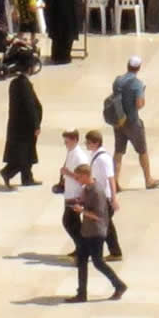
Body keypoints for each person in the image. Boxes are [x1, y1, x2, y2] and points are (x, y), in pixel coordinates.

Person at [65, 164, 127, 303]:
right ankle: (81, 293)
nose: (77, 180)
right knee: (81, 261)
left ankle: (119, 285)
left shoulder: (97, 191)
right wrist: (79, 202)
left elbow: (98, 215)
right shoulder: (87, 188)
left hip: (96, 233)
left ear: (86, 176)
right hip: (87, 231)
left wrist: (81, 210)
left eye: (79, 177)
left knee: (98, 262)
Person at [110, 55, 159, 190]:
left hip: (118, 121)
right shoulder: (137, 84)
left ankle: (114, 182)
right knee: (142, 150)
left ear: (128, 65)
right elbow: (139, 104)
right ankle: (148, 180)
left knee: (118, 151)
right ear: (138, 68)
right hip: (132, 122)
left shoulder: (117, 80)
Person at [0, 54, 42, 188]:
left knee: (26, 153)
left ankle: (27, 178)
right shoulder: (24, 84)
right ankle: (8, 172)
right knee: (23, 154)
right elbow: (29, 107)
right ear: (29, 69)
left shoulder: (16, 82)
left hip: (17, 125)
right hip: (25, 126)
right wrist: (36, 125)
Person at [81, 130, 123, 261]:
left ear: (96, 143)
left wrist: (114, 199)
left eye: (88, 142)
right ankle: (115, 252)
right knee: (107, 226)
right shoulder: (95, 155)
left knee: (100, 225)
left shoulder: (103, 159)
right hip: (100, 196)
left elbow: (111, 179)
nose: (86, 144)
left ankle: (112, 252)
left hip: (104, 199)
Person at [57, 130, 90, 256]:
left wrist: (67, 173)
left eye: (67, 142)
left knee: (69, 222)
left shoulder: (80, 157)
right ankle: (80, 247)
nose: (65, 144)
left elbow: (84, 176)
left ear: (75, 140)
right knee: (73, 223)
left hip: (76, 195)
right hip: (70, 193)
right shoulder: (71, 152)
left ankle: (83, 248)